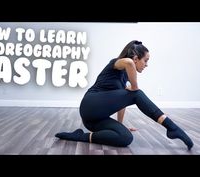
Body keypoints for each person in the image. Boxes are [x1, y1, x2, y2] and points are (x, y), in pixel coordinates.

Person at [55, 40, 194, 150]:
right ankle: (172, 128)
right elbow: (128, 63)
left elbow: (122, 102)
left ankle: (81, 136)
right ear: (135, 58)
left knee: (125, 138)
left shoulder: (125, 79)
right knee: (136, 93)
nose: (146, 65)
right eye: (145, 60)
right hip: (89, 106)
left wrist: (119, 124)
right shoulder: (116, 63)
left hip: (93, 121)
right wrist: (135, 88)